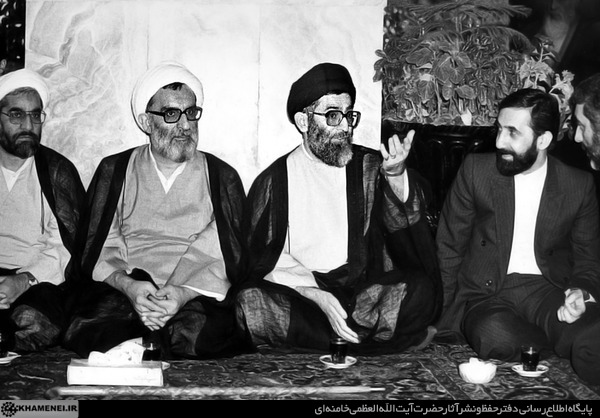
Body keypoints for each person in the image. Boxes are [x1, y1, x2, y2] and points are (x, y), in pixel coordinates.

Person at [235, 62, 442, 356]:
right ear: (303, 121)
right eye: (333, 116)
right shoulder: (274, 181)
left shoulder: (370, 166)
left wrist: (396, 176)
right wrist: (316, 295)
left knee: (421, 290)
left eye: (349, 115)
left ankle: (334, 337)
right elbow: (261, 258)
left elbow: (407, 219)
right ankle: (362, 338)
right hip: (305, 295)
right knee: (250, 302)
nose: (345, 127)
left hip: (364, 293)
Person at [63, 62, 249, 360]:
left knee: (203, 332)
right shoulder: (115, 170)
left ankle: (146, 340)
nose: (185, 125)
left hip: (194, 292)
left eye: (191, 113)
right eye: (172, 114)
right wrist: (130, 288)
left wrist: (182, 293)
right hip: (128, 288)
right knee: (94, 324)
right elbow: (99, 245)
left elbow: (222, 252)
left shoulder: (220, 176)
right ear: (146, 121)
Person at [436, 88, 600, 384]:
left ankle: (558, 339)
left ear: (543, 140)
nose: (500, 142)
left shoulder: (578, 184)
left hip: (548, 291)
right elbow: (449, 246)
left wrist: (581, 293)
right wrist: (445, 317)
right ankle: (555, 342)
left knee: (592, 339)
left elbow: (588, 260)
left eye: (513, 132)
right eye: (499, 129)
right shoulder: (476, 170)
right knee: (494, 336)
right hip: (488, 293)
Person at [0, 69, 85, 352]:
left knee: (36, 322)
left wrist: (23, 281)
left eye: (35, 115)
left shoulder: (57, 171)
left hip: (35, 281)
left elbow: (64, 248)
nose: (28, 125)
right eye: (16, 115)